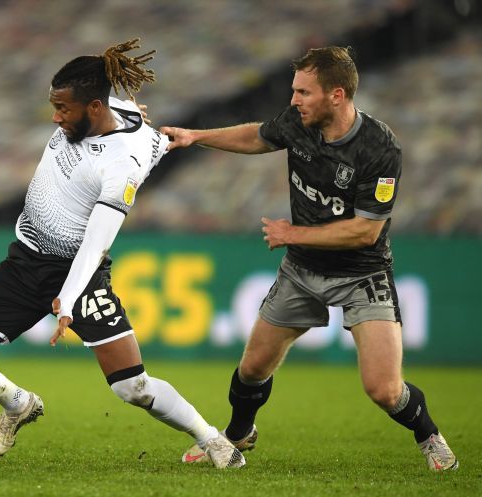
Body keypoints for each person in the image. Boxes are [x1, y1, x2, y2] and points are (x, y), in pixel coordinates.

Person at [0, 39, 244, 469]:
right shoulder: (112, 111)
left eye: (63, 108)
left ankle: (212, 439)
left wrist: (69, 300)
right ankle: (18, 403)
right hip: (25, 262)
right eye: (54, 106)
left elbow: (96, 243)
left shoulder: (123, 164)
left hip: (79, 272)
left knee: (132, 388)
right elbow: (126, 108)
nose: (56, 118)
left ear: (94, 106)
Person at [160, 46, 458, 472]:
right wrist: (196, 137)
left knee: (384, 389)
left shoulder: (379, 147)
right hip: (302, 271)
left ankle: (429, 435)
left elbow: (366, 230)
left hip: (362, 274)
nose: (294, 100)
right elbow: (258, 136)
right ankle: (239, 433)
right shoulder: (298, 124)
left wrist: (291, 233)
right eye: (294, 90)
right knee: (251, 369)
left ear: (336, 95)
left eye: (304, 92)